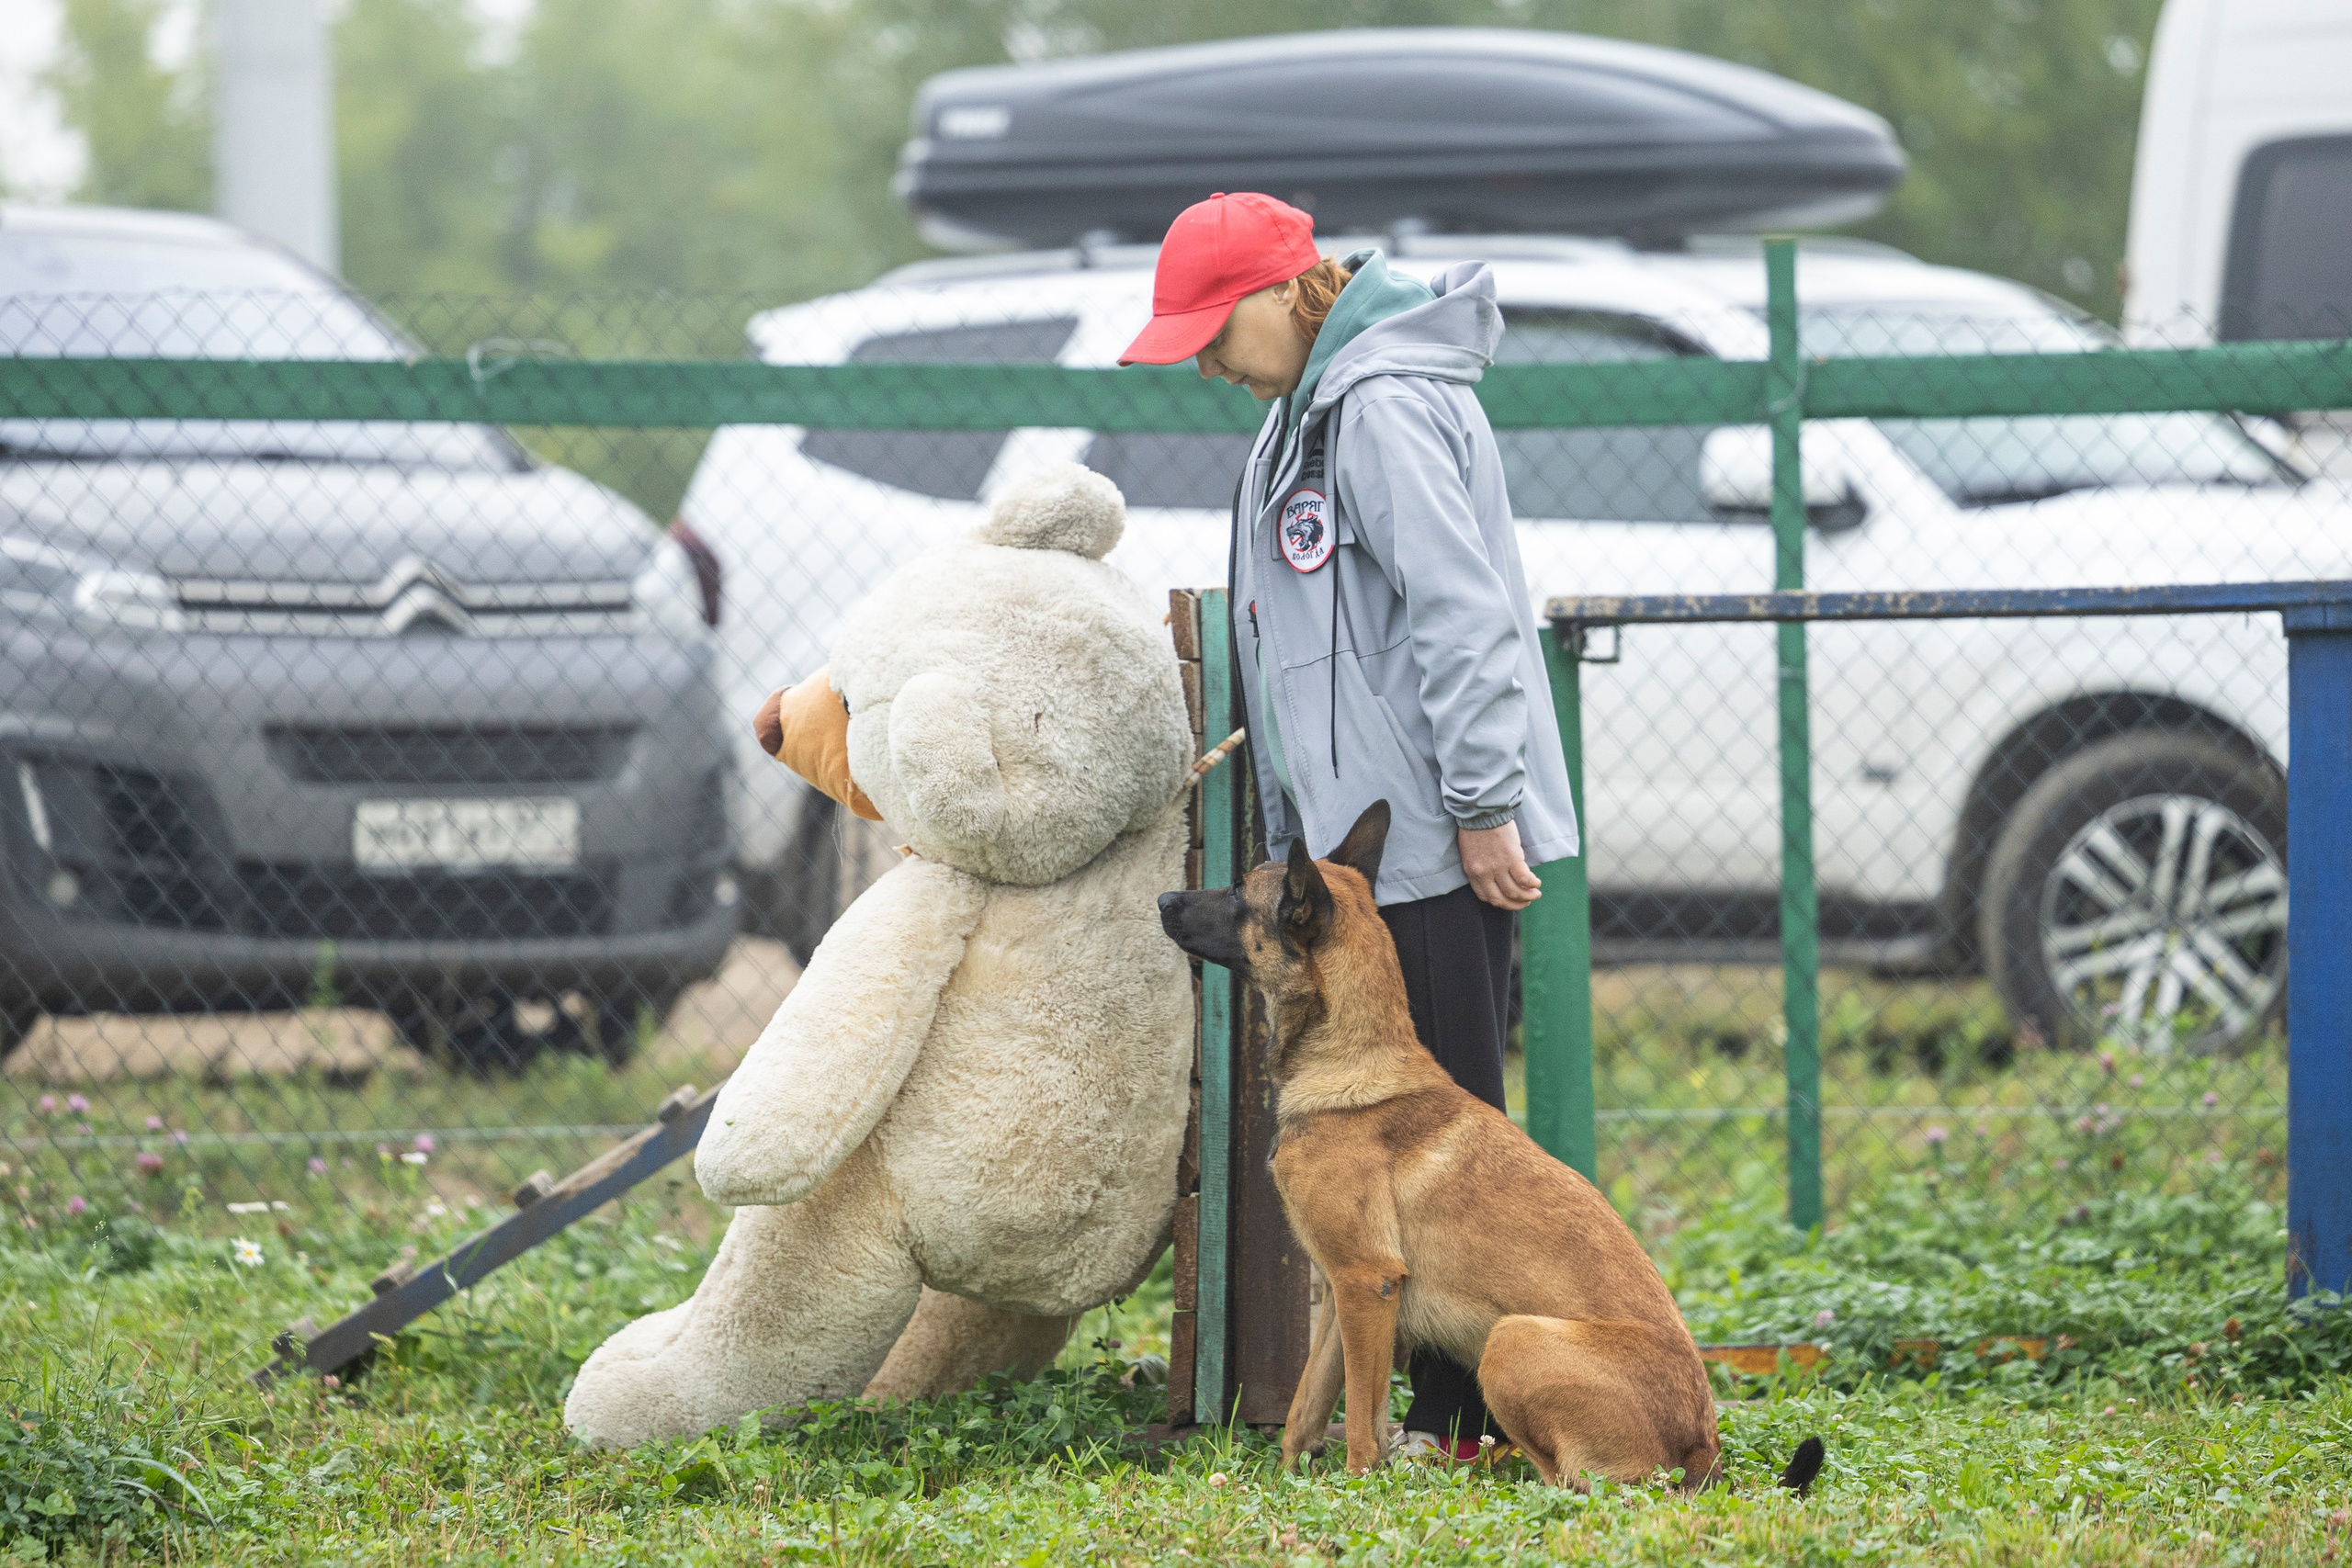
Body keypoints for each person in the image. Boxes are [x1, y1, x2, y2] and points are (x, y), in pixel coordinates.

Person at [1120, 192, 1580, 1461]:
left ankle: (1461, 1428)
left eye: (1213, 332)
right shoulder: (1294, 422)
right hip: (1362, 861)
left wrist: (1486, 805)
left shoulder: (1377, 406)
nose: (1205, 362)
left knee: (1450, 1161)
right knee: (1404, 1163)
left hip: (1433, 846)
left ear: (1281, 293)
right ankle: (1443, 1424)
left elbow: (1463, 613)